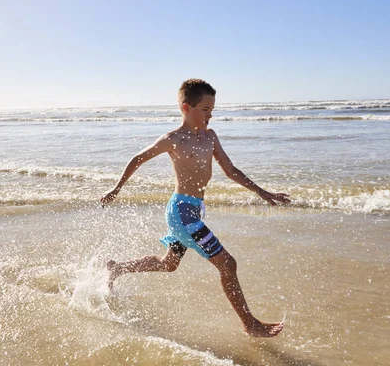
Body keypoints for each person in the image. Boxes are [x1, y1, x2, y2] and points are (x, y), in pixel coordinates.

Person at [100, 78, 290, 338]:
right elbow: (138, 158)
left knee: (168, 264)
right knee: (228, 264)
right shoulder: (173, 139)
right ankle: (250, 324)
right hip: (182, 213)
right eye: (205, 110)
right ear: (187, 108)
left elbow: (231, 170)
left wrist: (262, 192)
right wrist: (116, 189)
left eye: (212, 110)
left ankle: (117, 268)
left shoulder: (210, 137)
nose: (210, 116)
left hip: (195, 209)